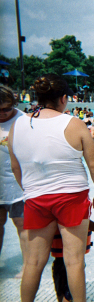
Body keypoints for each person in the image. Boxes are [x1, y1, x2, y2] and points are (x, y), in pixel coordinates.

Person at [8, 74, 94, 302]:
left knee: (33, 261)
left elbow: (16, 166)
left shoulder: (19, 124)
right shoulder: (73, 124)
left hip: (35, 198)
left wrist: (30, 190)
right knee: (73, 262)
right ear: (64, 98)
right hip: (71, 198)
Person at [51, 201, 94, 302]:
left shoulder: (78, 220)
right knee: (64, 293)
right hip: (65, 263)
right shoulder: (74, 219)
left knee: (64, 293)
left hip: (67, 263)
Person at [0, 85, 26, 277]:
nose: (3, 113)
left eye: (7, 108)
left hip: (20, 183)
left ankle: (28, 265)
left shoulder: (23, 120)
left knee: (22, 224)